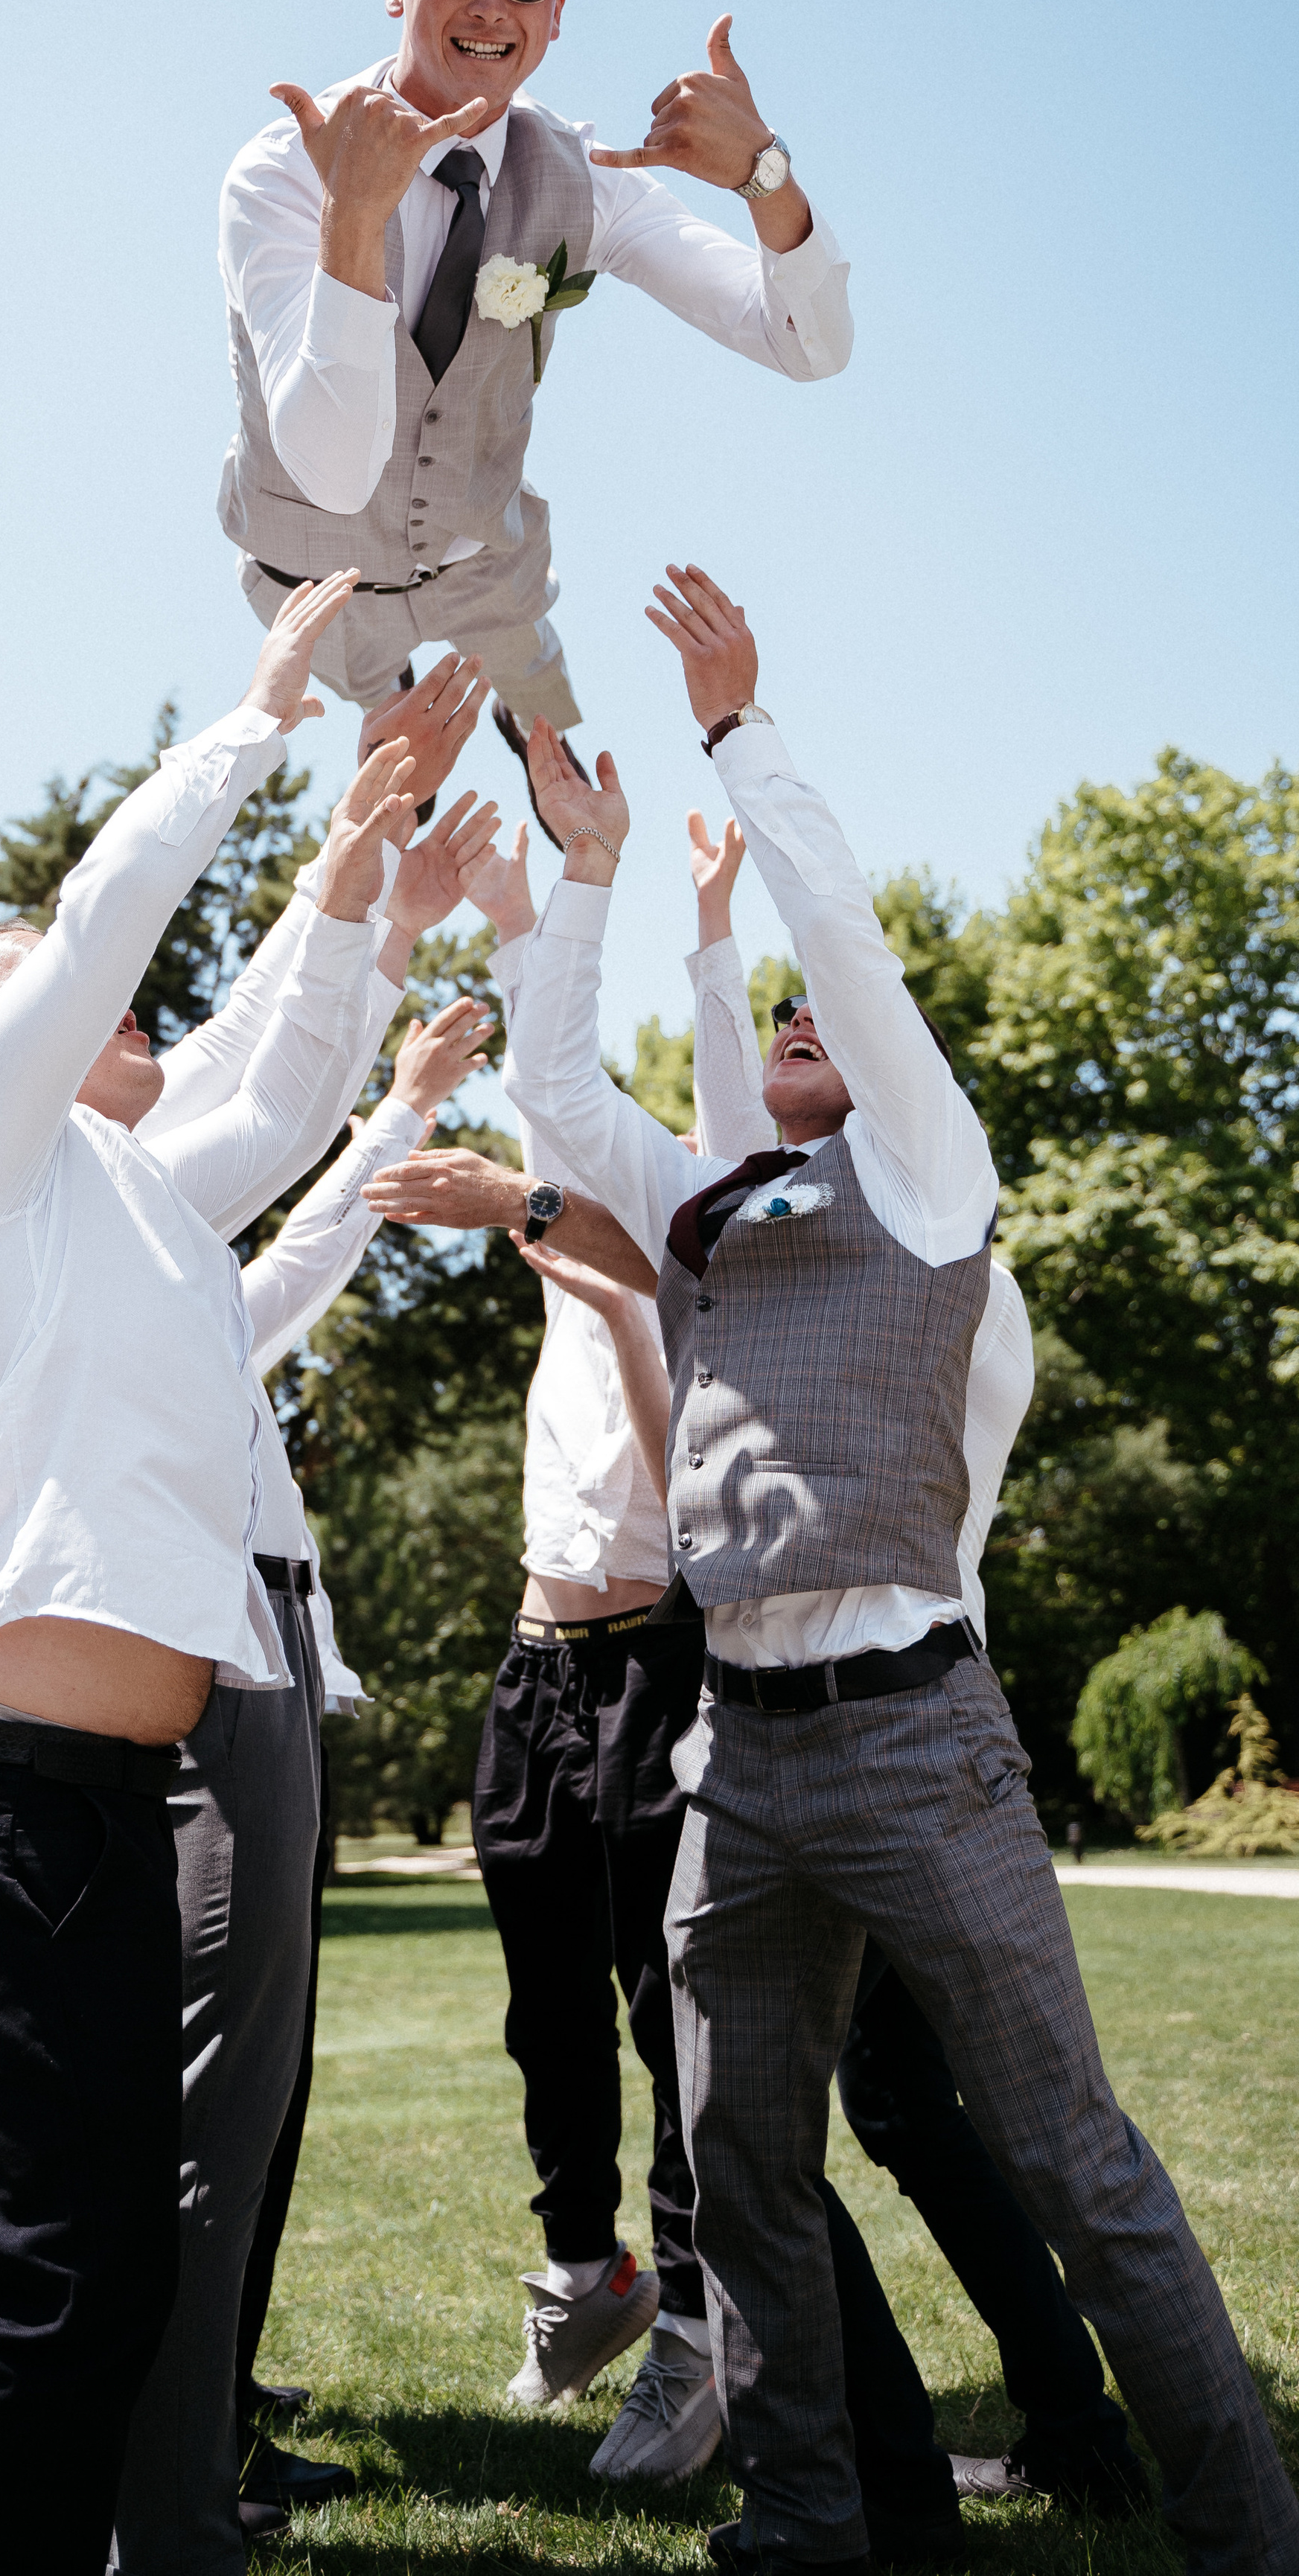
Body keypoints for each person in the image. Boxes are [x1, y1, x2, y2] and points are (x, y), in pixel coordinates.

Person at [374, 562, 1299, 2575]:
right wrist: (592, 875)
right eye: (776, 1017)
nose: (798, 1021)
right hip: (741, 1759)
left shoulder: (933, 1184)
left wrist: (737, 732)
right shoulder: (723, 1207)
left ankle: (1246, 2531)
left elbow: (846, 947)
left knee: (1073, 2164)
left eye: (819, 1024)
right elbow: (559, 1100)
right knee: (742, 2172)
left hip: (910, 1738)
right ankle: (804, 2524)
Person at [0, 573, 406, 2576]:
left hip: (89, 1803)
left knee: (46, 2259)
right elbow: (98, 937)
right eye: (39, 1001)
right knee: (69, 2276)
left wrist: (360, 866)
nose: (119, 1012)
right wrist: (257, 719)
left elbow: (292, 1078)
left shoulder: (142, 1202)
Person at [112, 793, 502, 2576]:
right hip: (217, 1653)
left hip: (262, 1643)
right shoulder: (103, 1223)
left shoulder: (175, 1272)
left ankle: (206, 2428)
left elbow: (294, 1242)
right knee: (216, 2085)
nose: (141, 1030)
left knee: (251, 2084)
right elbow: (263, 1092)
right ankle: (169, 2499)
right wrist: (374, 924)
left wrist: (397, 1053)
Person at [217, 0, 852, 760]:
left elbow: (807, 347)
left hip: (484, 560)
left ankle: (530, 725)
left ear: (554, 12)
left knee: (533, 674)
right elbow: (332, 475)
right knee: (374, 696)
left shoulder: (586, 179)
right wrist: (351, 216)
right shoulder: (283, 171)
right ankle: (389, 707)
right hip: (313, 573)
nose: (490, 2)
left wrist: (765, 177)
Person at [438, 809, 764, 2487]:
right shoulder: (573, 1218)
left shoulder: (688, 1269)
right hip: (534, 1660)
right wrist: (518, 908)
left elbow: (675, 1479)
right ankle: (588, 2274)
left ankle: (698, 2325)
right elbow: (545, 1088)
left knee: (661, 2007)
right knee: (542, 2003)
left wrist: (616, 1295)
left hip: (657, 1656)